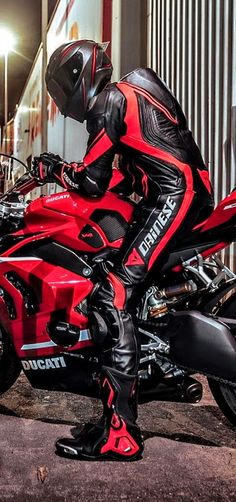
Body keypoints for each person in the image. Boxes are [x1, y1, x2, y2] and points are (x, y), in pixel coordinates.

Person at [32, 40, 214, 461]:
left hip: (174, 197)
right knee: (115, 280)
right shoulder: (126, 98)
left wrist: (51, 169)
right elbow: (124, 178)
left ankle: (121, 434)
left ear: (78, 77)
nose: (60, 106)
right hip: (174, 194)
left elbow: (92, 180)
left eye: (60, 92)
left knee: (110, 293)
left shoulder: (109, 102)